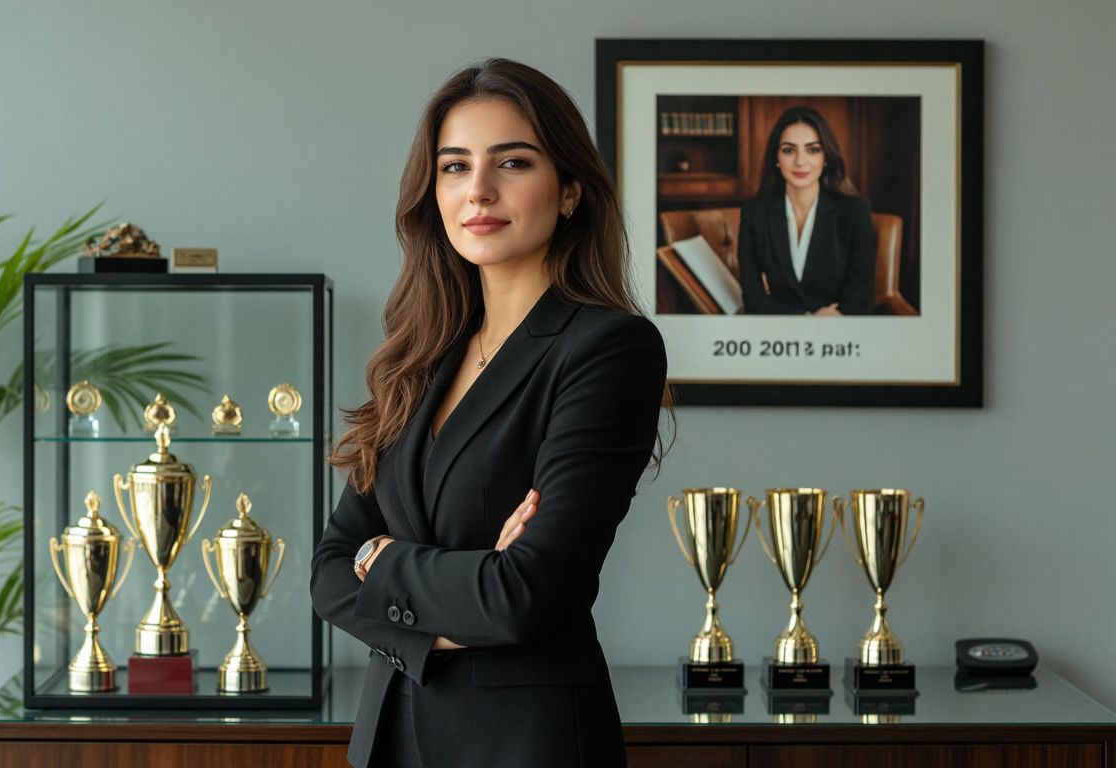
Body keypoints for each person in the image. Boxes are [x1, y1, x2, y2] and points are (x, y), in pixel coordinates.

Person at [310, 58, 670, 768]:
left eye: (512, 162)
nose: (478, 190)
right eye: (454, 166)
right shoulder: (418, 352)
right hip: (388, 738)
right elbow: (326, 573)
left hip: (522, 745)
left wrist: (379, 561)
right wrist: (455, 593)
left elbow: (525, 595)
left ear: (569, 190)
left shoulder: (608, 349)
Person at [736, 105, 876, 315]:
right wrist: (807, 320)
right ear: (776, 158)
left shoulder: (855, 211)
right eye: (789, 150)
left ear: (825, 157)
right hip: (777, 333)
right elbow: (752, 298)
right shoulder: (754, 213)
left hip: (838, 333)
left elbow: (861, 299)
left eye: (813, 150)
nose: (800, 161)